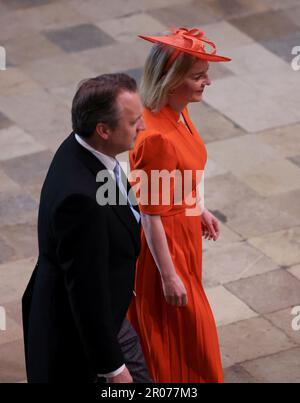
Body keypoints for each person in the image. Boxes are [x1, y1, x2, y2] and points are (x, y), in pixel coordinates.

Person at [22, 73, 152, 383]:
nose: (143, 127)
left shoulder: (83, 149)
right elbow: (85, 292)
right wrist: (113, 369)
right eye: (134, 122)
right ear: (103, 130)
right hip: (77, 337)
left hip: (110, 315)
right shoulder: (81, 201)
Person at [127, 28, 231, 383]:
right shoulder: (155, 135)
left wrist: (196, 208)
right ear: (171, 81)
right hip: (165, 248)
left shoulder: (178, 110)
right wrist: (168, 276)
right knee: (179, 333)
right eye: (198, 76)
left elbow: (174, 179)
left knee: (184, 332)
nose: (208, 83)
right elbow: (150, 214)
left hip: (182, 235)